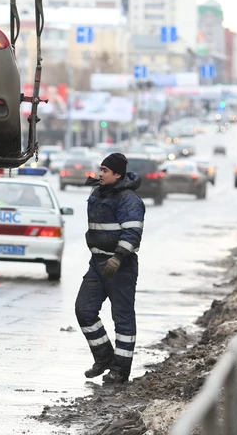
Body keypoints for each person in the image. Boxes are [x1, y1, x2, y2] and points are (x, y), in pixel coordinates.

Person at [75, 152, 145, 384]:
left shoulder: (129, 200)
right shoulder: (98, 192)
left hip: (120, 266)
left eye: (105, 170)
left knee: (122, 318)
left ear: (118, 174)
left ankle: (120, 369)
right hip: (97, 263)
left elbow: (132, 233)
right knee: (84, 310)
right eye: (101, 169)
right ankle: (104, 357)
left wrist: (118, 257)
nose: (100, 174)